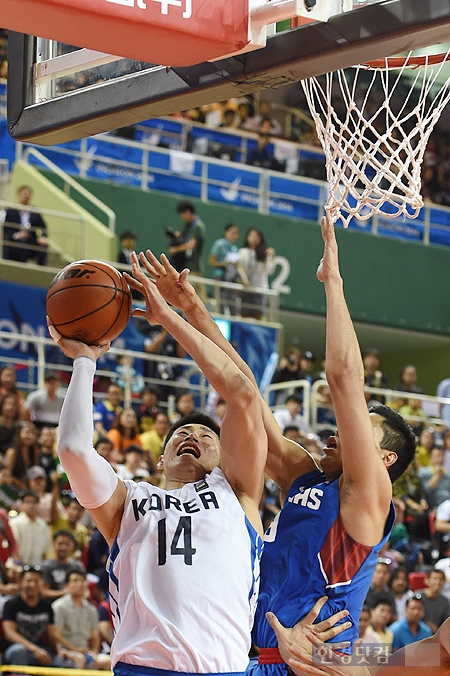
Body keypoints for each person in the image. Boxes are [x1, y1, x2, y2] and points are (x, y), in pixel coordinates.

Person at [135, 216, 416, 669]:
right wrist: (194, 308)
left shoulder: (369, 498)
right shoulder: (306, 476)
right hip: (249, 656)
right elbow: (245, 394)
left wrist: (333, 282)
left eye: (360, 427)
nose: (340, 430)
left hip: (306, 666)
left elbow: (344, 379)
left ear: (382, 457)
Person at [47, 244, 268, 674]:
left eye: (208, 434)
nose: (192, 434)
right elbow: (73, 450)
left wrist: (169, 317)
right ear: (161, 460)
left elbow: (242, 393)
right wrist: (85, 362)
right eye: (181, 433)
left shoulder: (237, 492)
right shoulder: (127, 502)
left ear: (227, 458)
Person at [2, 565, 73, 668]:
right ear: (21, 583)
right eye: (29, 580)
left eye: (37, 581)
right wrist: (34, 649)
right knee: (19, 651)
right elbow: (10, 634)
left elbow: (51, 636)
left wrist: (59, 650)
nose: (32, 584)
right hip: (17, 649)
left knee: (66, 662)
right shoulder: (11, 604)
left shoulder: (46, 606)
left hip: (40, 650)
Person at [53, 569, 110, 670]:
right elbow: (56, 635)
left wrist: (94, 653)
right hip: (66, 651)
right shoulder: (59, 606)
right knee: (79, 659)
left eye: (82, 581)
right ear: (67, 585)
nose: (79, 584)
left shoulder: (91, 609)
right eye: (75, 581)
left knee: (108, 661)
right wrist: (75, 649)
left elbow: (95, 635)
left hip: (85, 651)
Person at [3, 185, 48, 265]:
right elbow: (6, 229)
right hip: (15, 240)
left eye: (28, 194)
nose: (26, 196)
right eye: (24, 194)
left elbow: (43, 226)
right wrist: (17, 235)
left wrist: (42, 237)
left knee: (42, 246)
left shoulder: (35, 212)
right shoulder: (11, 211)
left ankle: (41, 268)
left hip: (30, 240)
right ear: (18, 195)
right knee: (15, 245)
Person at [238, 227, 275, 319]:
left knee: (259, 315)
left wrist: (272, 257)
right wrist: (243, 279)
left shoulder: (264, 254)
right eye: (251, 235)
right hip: (246, 289)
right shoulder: (243, 252)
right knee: (244, 314)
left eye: (256, 236)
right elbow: (239, 267)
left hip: (260, 289)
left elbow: (270, 270)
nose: (253, 238)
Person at [10, 490, 52, 565]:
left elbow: (45, 552)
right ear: (21, 505)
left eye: (34, 502)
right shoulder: (14, 523)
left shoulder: (43, 525)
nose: (31, 505)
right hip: (17, 566)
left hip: (37, 568)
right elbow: (13, 547)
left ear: (38, 504)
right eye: (27, 502)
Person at [41, 530, 85, 600]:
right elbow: (44, 592)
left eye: (67, 544)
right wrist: (66, 592)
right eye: (60, 544)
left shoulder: (78, 566)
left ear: (72, 545)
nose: (63, 547)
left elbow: (85, 589)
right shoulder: (46, 566)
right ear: (54, 544)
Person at [208, 222, 241, 315]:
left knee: (233, 307)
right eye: (232, 232)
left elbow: (238, 267)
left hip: (231, 280)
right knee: (220, 308)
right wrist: (225, 263)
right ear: (226, 232)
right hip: (221, 278)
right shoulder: (219, 244)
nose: (234, 235)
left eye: (236, 233)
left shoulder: (235, 248)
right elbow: (211, 261)